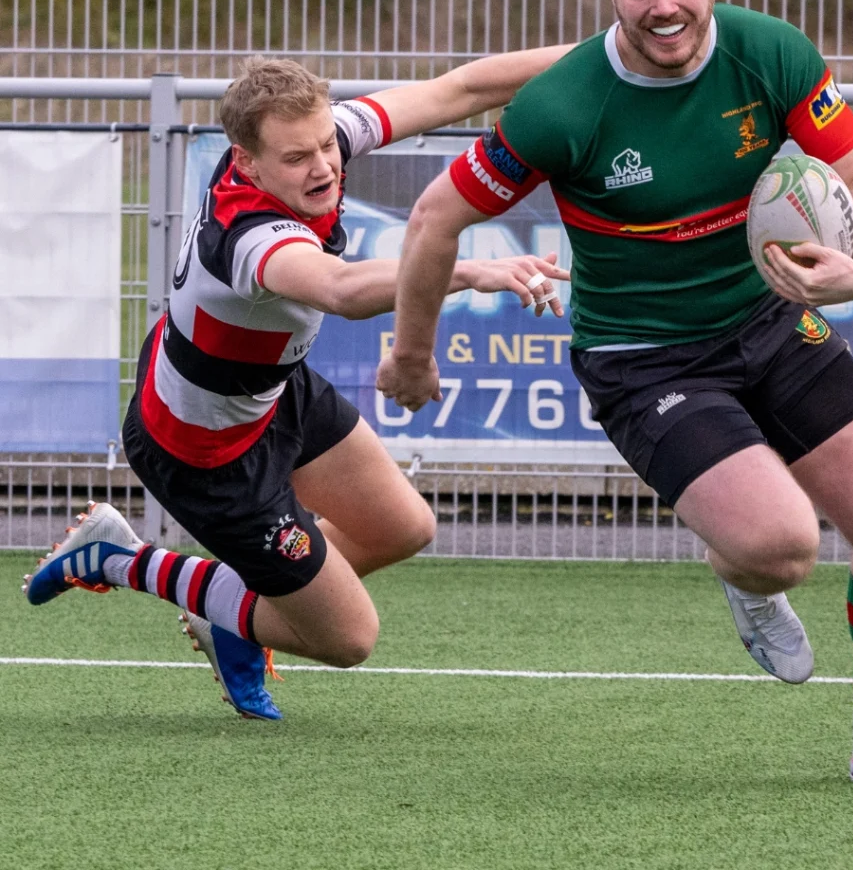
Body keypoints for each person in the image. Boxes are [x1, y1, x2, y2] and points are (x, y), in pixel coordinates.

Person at [375, 0, 853, 787]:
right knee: (782, 548)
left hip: (768, 318)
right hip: (642, 357)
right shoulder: (564, 105)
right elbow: (432, 219)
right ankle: (742, 567)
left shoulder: (769, 52)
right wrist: (413, 356)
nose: (664, 6)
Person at [23, 51, 572, 720]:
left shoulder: (314, 143)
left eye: (324, 145)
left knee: (404, 526)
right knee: (348, 639)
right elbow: (339, 289)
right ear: (247, 162)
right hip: (206, 453)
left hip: (270, 390)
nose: (323, 166)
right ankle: (120, 559)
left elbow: (459, 88)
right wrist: (463, 270)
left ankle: (235, 612)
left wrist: (607, 51)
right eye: (297, 157)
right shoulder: (249, 236)